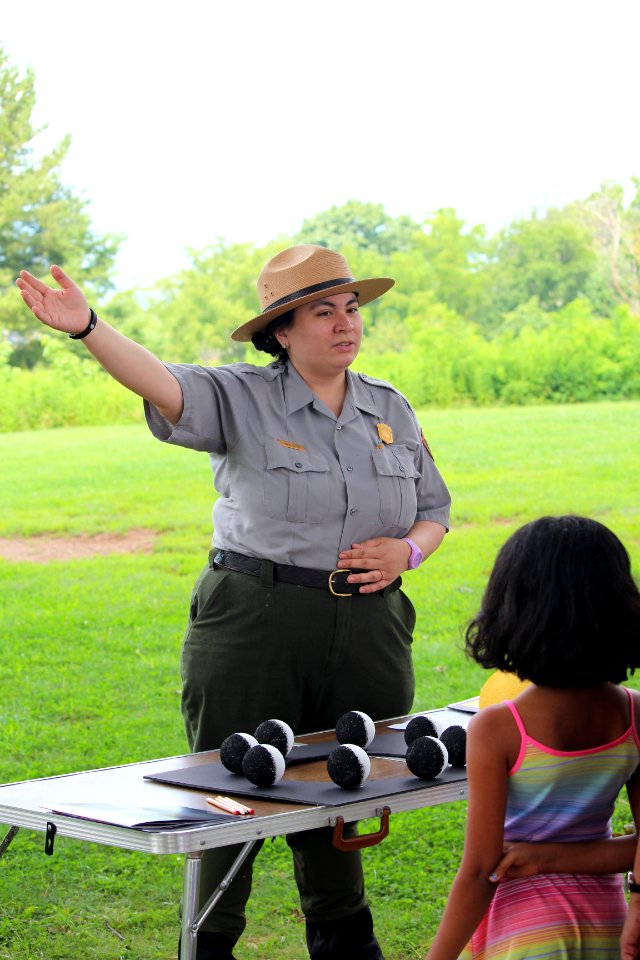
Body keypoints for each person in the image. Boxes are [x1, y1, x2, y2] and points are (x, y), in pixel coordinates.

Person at [17, 244, 451, 960]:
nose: (346, 324)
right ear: (281, 331)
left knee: (345, 786)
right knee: (230, 788)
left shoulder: (390, 407)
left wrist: (409, 551)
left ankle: (345, 942)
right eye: (323, 312)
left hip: (369, 627)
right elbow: (160, 383)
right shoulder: (241, 397)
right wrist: (88, 326)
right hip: (256, 619)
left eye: (351, 309)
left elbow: (433, 508)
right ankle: (209, 942)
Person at [424, 514, 640, 960]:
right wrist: (555, 857)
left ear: (513, 610)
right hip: (607, 924)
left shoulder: (497, 728)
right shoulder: (635, 713)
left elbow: (482, 869)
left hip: (522, 932)